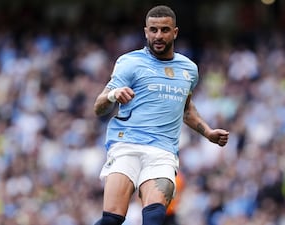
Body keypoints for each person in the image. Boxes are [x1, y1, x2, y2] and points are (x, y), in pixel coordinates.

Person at [93, 5, 229, 225]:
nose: (158, 35)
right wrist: (113, 95)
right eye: (153, 30)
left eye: (164, 30)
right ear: (145, 31)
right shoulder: (129, 63)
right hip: (126, 145)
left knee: (155, 219)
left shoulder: (189, 69)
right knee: (112, 220)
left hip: (162, 152)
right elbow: (98, 107)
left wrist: (208, 132)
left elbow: (186, 109)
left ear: (174, 32)